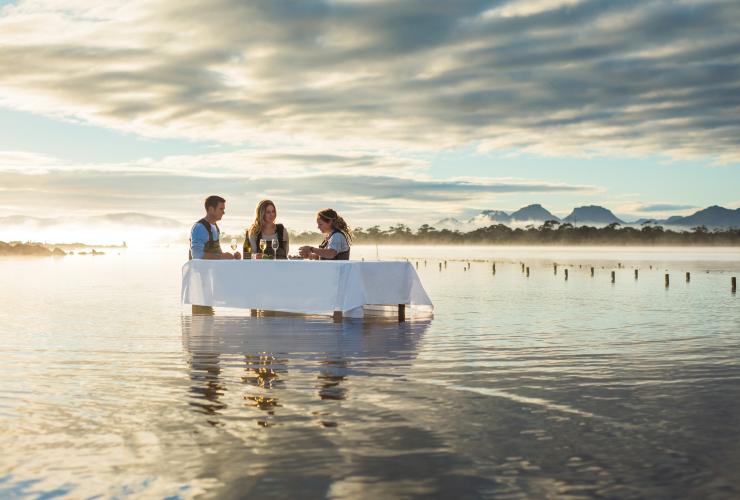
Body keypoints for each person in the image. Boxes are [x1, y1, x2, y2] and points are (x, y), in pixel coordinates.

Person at [189, 195, 241, 260]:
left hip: (213, 269)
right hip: (203, 269)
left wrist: (232, 257)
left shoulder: (215, 226)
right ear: (211, 209)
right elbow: (197, 255)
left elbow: (216, 254)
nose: (223, 212)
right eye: (221, 209)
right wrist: (221, 257)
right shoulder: (199, 227)